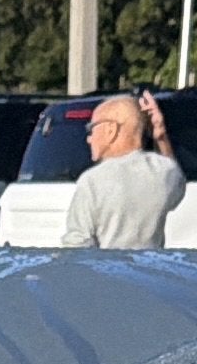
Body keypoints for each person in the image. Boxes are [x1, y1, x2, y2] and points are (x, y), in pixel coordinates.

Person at [60, 92, 183, 251]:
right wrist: (160, 136)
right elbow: (174, 175)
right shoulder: (163, 172)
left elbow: (76, 245)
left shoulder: (93, 181)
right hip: (150, 271)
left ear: (111, 130)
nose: (89, 138)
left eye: (92, 128)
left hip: (108, 272)